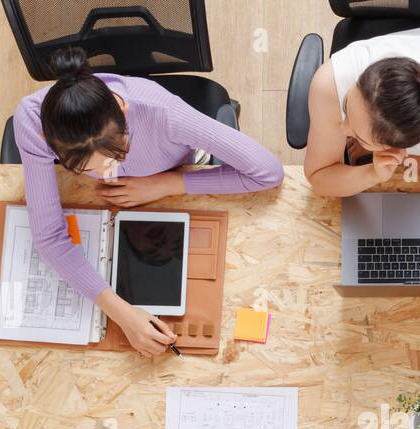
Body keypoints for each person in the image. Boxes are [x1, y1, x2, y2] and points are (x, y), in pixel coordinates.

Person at [14, 46, 284, 356]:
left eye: (117, 154)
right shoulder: (32, 124)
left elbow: (268, 171)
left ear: (122, 108)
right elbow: (49, 236)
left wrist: (169, 184)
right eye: (87, 168)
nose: (107, 173)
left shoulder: (165, 114)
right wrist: (122, 313)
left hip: (168, 170)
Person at [304, 28, 420, 196]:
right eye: (346, 104)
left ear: (393, 146)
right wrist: (373, 173)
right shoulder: (328, 82)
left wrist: (400, 159)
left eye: (359, 137)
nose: (343, 131)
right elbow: (318, 177)